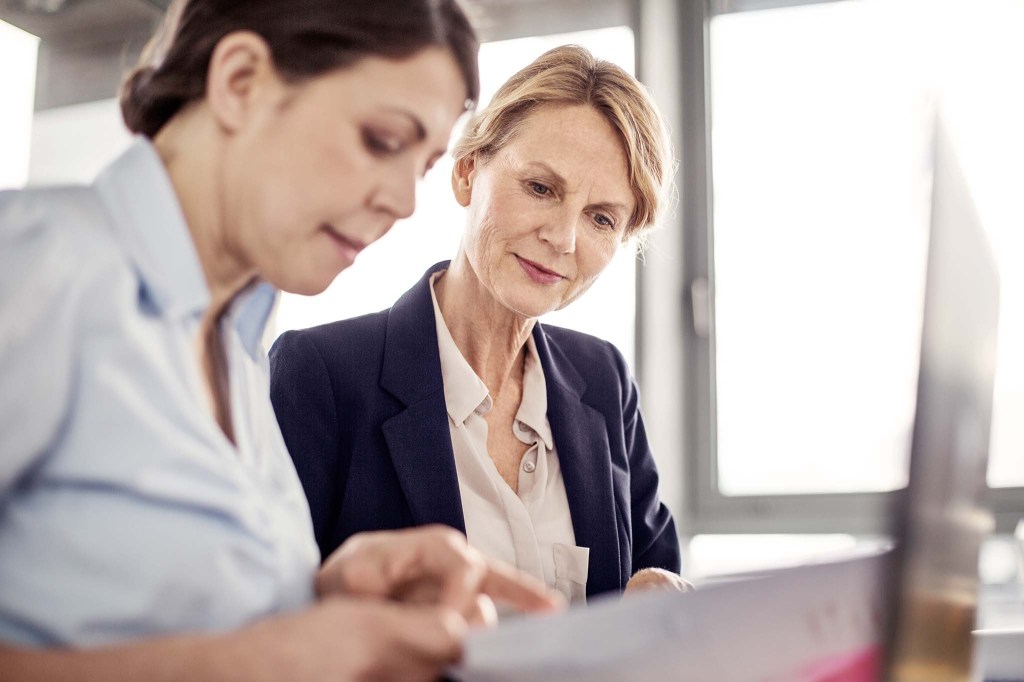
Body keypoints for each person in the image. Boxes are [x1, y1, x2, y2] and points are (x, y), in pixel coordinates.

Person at [0, 1, 562, 680]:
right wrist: (251, 661)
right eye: (383, 139)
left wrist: (318, 597)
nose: (405, 202)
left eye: (421, 166)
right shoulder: (34, 264)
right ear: (240, 82)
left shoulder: (234, 349)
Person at [270, 45, 688, 605]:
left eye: (601, 218)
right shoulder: (319, 373)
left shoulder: (605, 378)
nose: (562, 239)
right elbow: (266, 619)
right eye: (541, 188)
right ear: (467, 172)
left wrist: (666, 599)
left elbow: (656, 578)